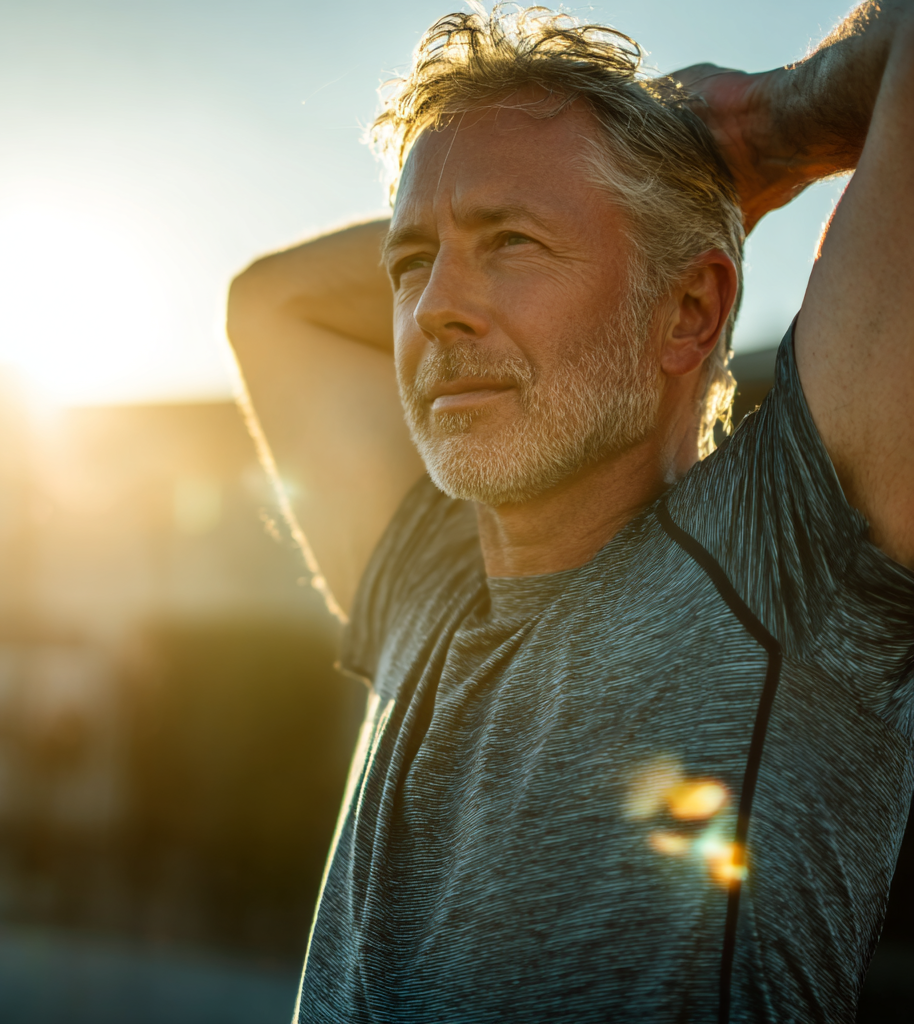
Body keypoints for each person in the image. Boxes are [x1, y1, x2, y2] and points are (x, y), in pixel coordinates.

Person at [227, 3, 914, 1020]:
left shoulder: (784, 561)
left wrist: (766, 128)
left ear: (687, 313)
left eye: (510, 241)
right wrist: (576, 193)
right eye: (412, 262)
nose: (433, 310)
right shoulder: (430, 578)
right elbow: (269, 305)